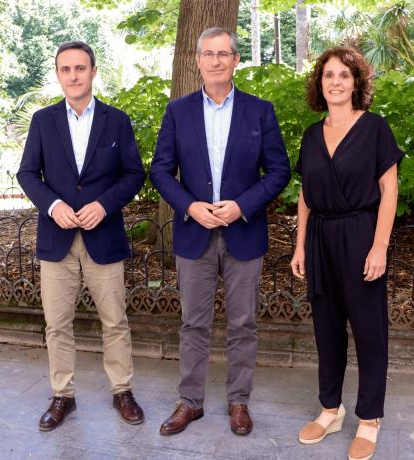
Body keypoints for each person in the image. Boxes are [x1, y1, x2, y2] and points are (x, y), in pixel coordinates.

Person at [149, 27, 291, 436]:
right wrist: (190, 206)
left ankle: (239, 401)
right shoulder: (178, 111)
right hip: (194, 231)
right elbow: (160, 169)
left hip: (243, 232)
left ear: (235, 59)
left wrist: (242, 205)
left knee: (243, 323)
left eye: (223, 53)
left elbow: (279, 170)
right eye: (207, 53)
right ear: (197, 60)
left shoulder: (259, 110)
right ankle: (190, 403)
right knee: (193, 323)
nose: (215, 60)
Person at [16, 41, 146, 431]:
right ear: (58, 74)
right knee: (57, 323)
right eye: (65, 69)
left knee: (115, 321)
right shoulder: (42, 120)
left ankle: (122, 390)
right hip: (56, 239)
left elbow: (134, 174)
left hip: (102, 237)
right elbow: (27, 174)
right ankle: (62, 396)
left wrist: (103, 205)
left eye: (80, 68)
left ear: (92, 71)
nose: (73, 75)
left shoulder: (116, 120)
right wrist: (53, 206)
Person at [290, 47, 403, 460]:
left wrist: (380, 245)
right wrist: (300, 244)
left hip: (361, 233)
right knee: (327, 328)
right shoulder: (310, 134)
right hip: (320, 235)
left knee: (369, 330)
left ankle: (369, 419)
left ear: (356, 82)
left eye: (343, 75)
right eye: (328, 75)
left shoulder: (375, 129)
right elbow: (304, 195)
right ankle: (330, 410)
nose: (335, 82)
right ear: (319, 84)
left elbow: (389, 190)